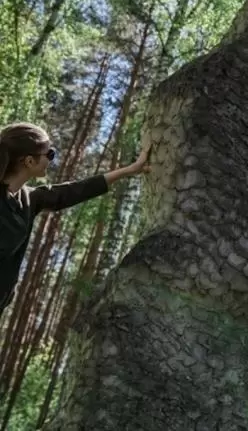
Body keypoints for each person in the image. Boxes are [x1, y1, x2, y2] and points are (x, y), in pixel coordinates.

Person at [1, 122, 150, 313]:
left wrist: (129, 170)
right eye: (50, 154)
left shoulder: (29, 199)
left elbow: (76, 190)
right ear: (29, 161)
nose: (52, 159)